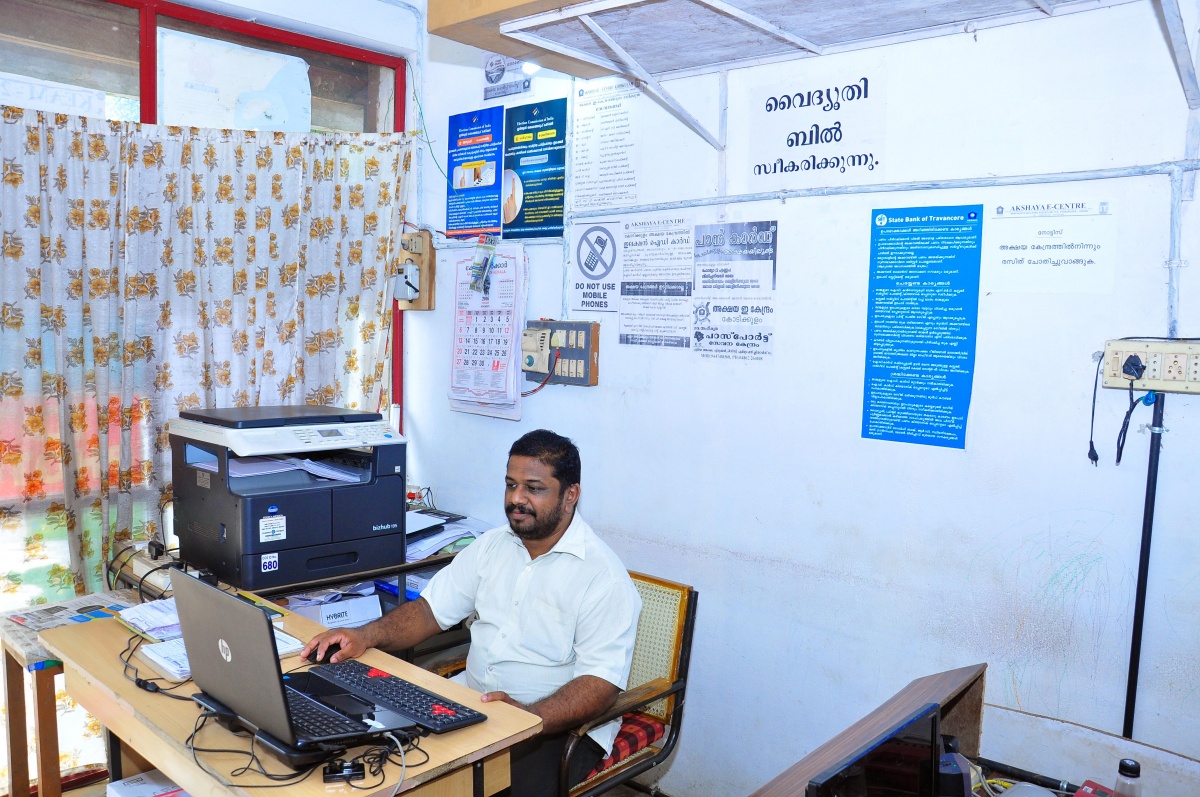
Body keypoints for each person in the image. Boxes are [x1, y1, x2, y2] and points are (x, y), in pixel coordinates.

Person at [303, 430, 642, 797]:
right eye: (511, 485)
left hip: (555, 727)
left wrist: (528, 717)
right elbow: (429, 611)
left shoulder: (603, 578)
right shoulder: (493, 545)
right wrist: (364, 635)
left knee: (484, 790)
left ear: (570, 494)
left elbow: (600, 685)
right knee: (390, 767)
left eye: (533, 488)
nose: (516, 499)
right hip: (473, 703)